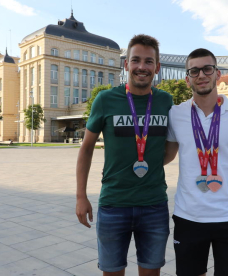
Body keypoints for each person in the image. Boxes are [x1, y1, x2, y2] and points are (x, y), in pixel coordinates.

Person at [164, 48, 228, 276]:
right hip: (188, 217)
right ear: (187, 79)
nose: (201, 75)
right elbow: (167, 156)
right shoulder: (176, 114)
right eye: (194, 71)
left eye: (207, 69)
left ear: (217, 74)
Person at [76, 34, 173, 276]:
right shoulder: (106, 99)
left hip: (154, 205)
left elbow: (176, 140)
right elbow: (86, 148)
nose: (142, 67)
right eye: (136, 60)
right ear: (126, 64)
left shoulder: (166, 101)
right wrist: (81, 196)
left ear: (157, 67)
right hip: (113, 205)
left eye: (149, 61)